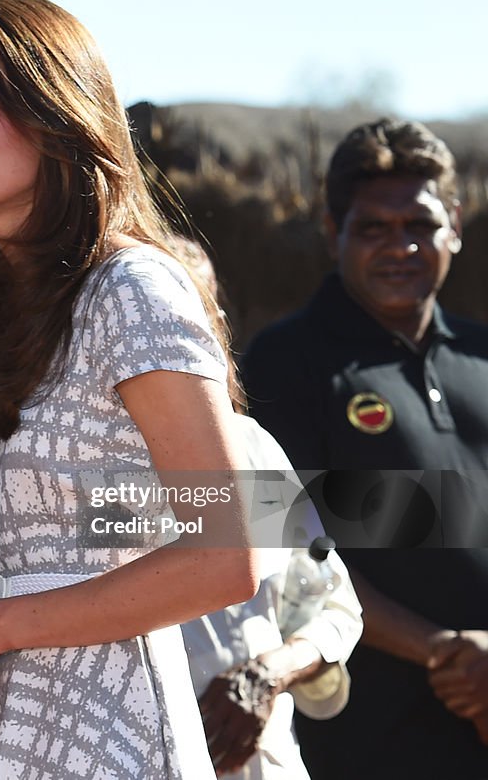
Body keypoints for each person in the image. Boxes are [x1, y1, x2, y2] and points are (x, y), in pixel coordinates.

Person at [0, 0, 259, 780]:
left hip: (115, 728)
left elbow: (229, 552)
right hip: (20, 722)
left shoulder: (132, 288)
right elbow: (75, 543)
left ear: (57, 112)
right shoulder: (9, 311)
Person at [242, 118, 488, 778]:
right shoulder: (286, 363)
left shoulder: (481, 354)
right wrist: (446, 651)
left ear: (455, 225)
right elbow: (288, 546)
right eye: (373, 228)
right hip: (367, 737)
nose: (400, 247)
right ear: (333, 233)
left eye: (421, 225)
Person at [168, 235, 363, 779]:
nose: (180, 338)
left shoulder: (249, 446)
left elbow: (334, 610)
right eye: (159, 317)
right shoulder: (74, 470)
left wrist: (265, 675)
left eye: (200, 313)